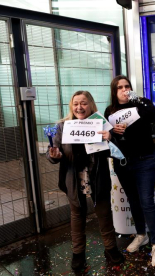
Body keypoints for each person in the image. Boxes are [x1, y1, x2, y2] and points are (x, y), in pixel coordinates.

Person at [46, 91, 124, 270]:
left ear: (91, 105)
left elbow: (116, 151)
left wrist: (110, 138)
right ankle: (78, 253)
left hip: (97, 177)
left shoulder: (102, 124)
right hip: (74, 178)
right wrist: (54, 155)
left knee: (104, 215)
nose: (79, 107)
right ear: (71, 106)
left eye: (83, 103)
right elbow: (54, 152)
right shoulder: (63, 126)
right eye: (75, 104)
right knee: (77, 216)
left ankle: (111, 249)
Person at [104, 75, 155, 267]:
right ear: (114, 91)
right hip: (123, 163)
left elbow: (154, 116)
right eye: (119, 87)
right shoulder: (110, 111)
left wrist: (137, 99)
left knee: (147, 202)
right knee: (134, 201)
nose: (124, 90)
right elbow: (106, 136)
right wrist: (113, 132)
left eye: (127, 86)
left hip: (145, 160)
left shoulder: (142, 104)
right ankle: (141, 235)